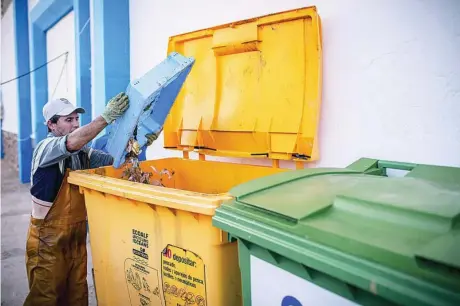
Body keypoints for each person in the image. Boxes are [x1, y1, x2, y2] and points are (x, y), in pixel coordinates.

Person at [24, 93, 157, 306]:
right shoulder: (45, 149)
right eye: (69, 120)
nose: (75, 124)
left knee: (77, 297)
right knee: (45, 299)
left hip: (76, 241)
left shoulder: (83, 154)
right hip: (47, 242)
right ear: (51, 124)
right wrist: (106, 117)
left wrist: (139, 142)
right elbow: (72, 142)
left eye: (77, 119)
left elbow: (116, 162)